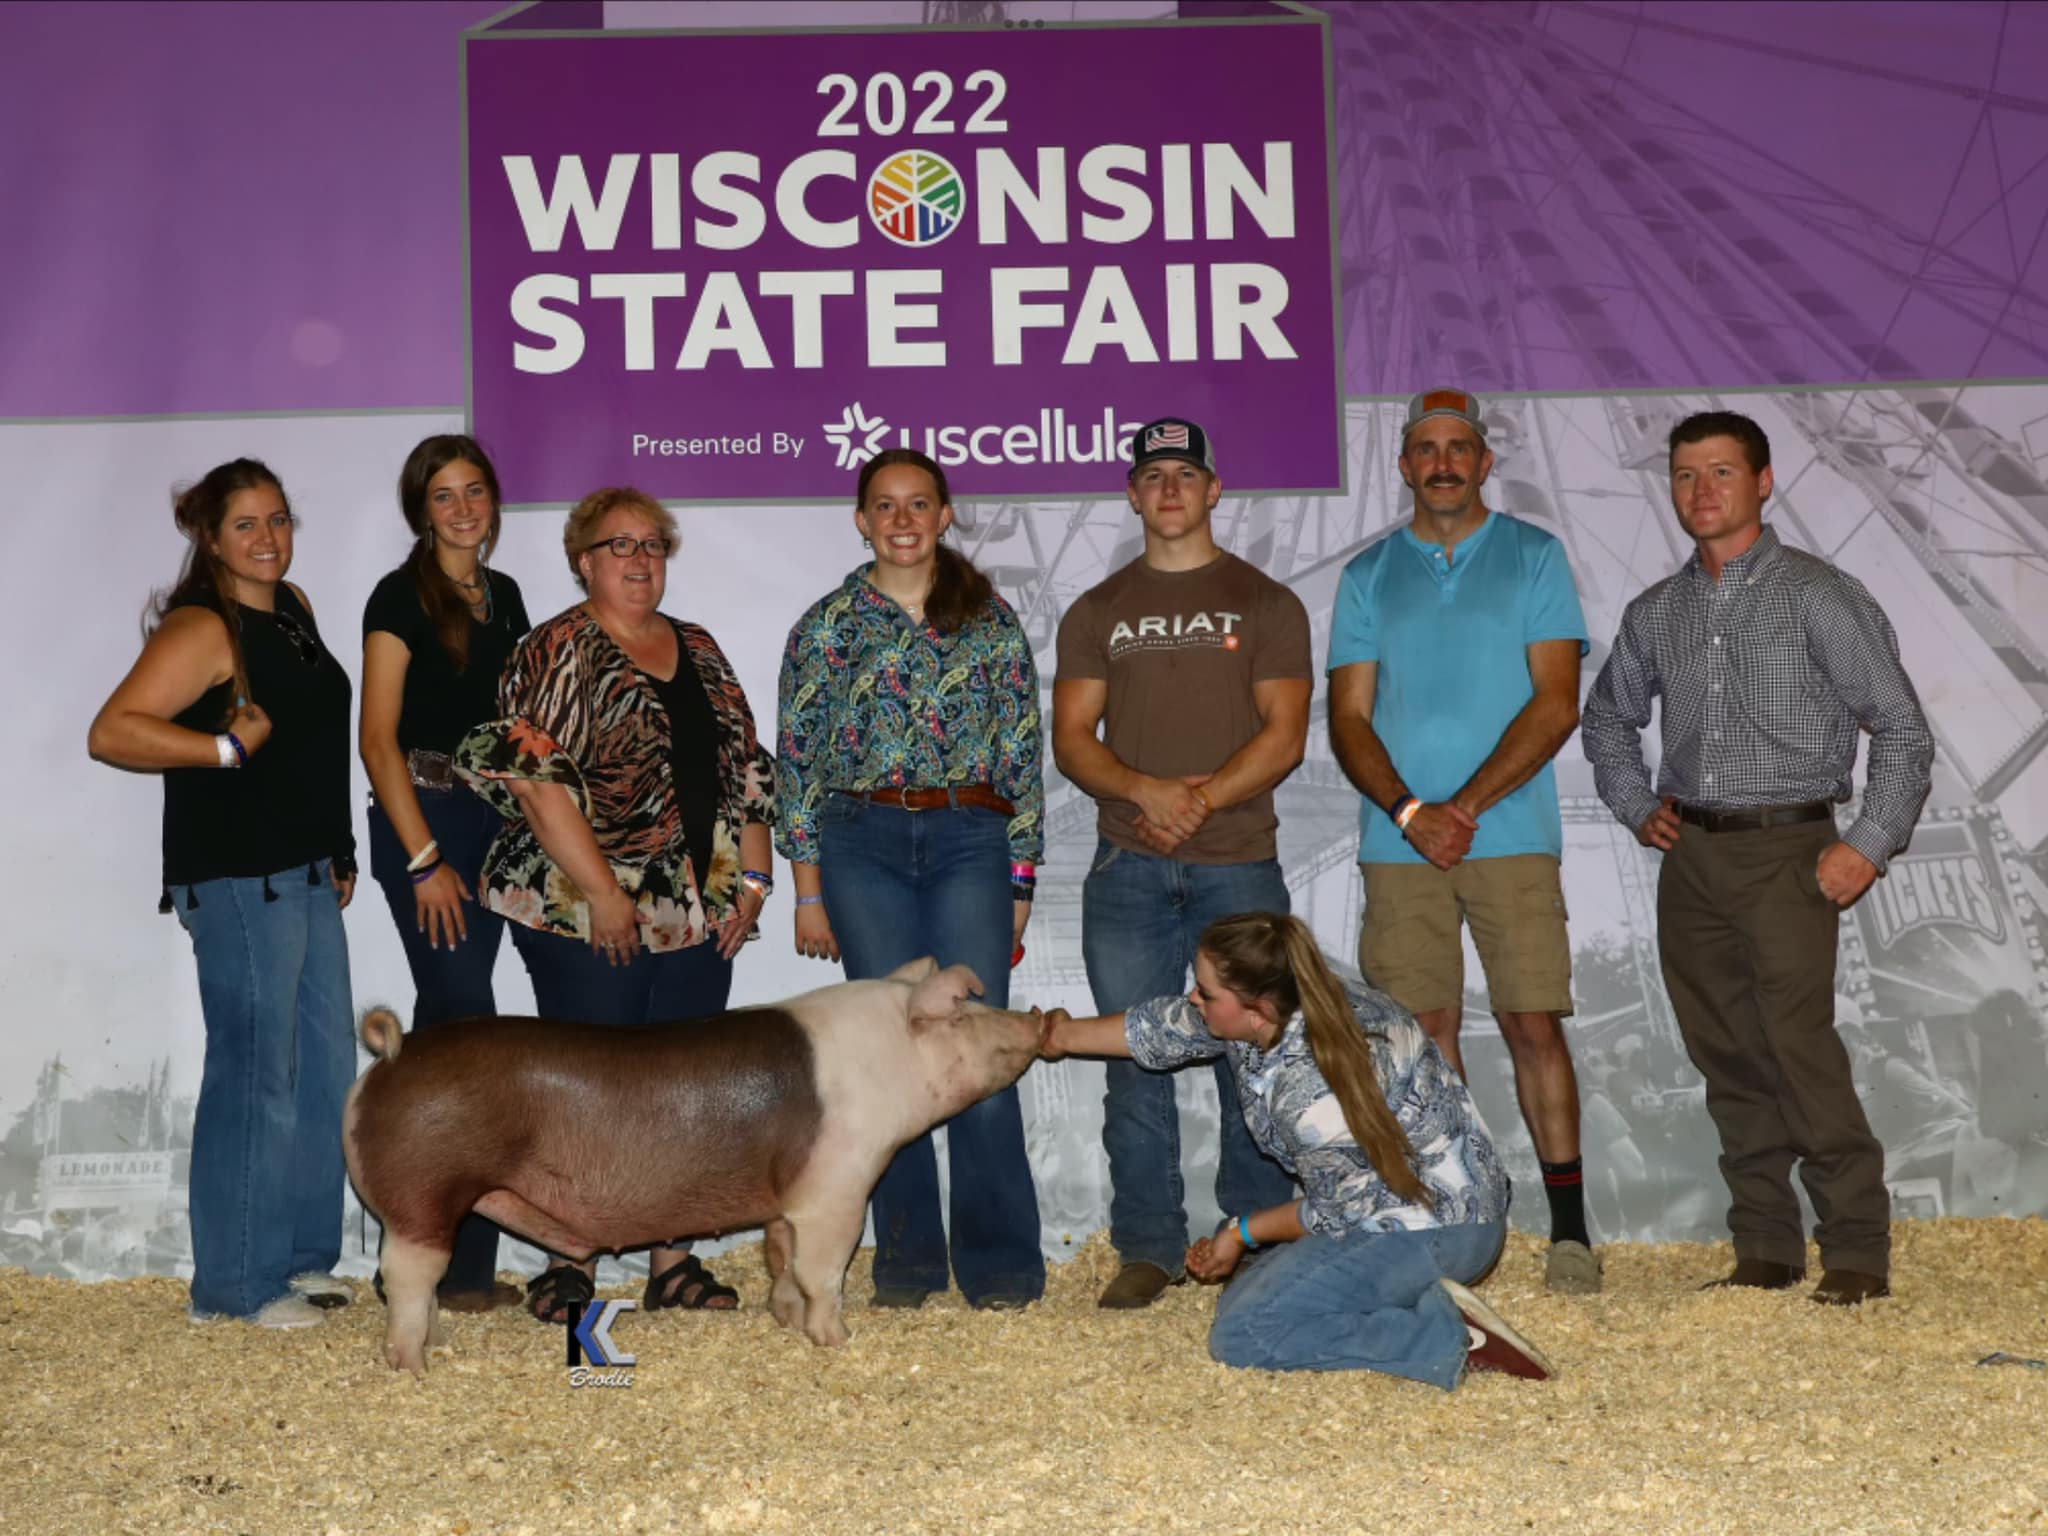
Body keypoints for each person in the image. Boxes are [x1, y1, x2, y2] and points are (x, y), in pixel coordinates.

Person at [1580, 409, 1935, 1305]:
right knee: (1726, 1053)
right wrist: (1633, 804)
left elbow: (1900, 729)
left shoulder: (1819, 593)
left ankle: (1856, 1253)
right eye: (1686, 475)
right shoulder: (1656, 611)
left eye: (1723, 473)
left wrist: (1868, 844)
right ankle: (1766, 1249)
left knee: (1796, 1048)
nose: (1702, 491)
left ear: (1764, 481)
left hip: (1792, 850)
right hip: (1693, 856)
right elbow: (1607, 718)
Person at [455, 486, 776, 1322]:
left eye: (651, 545)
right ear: (582, 560)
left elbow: (748, 767)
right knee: (587, 1092)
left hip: (695, 909)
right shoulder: (556, 647)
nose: (637, 559)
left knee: (687, 1090)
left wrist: (752, 882)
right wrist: (603, 892)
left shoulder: (700, 646)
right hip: (577, 906)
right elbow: (531, 777)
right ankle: (571, 1266)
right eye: (618, 545)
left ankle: (674, 1262)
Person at [1326, 387, 1600, 1294]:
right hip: (1399, 844)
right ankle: (1458, 1225)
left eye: (1459, 447)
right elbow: (1348, 717)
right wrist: (1412, 813)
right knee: (1422, 1036)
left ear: (1486, 463)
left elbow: (1557, 700)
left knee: (1532, 1023)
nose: (1443, 461)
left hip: (1510, 834)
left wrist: (1464, 807)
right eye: (1425, 447)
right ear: (1404, 465)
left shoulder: (1534, 556)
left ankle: (1571, 1236)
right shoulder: (1367, 574)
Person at [1041, 913, 1550, 1384]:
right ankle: (1415, 1297)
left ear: (1257, 1008)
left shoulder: (1311, 1099)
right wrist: (1056, 1035)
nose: (1194, 999)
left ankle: (1449, 1339)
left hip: (1436, 1231)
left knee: (1247, 1332)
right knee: (1247, 1296)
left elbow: (1334, 1215)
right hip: (1425, 1210)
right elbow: (1163, 1028)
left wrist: (1240, 1233)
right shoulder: (1300, 998)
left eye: (1205, 992)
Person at [88, 458, 356, 1328]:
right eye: (246, 524)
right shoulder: (204, 626)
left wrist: (341, 844)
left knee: (321, 1072)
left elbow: (316, 739)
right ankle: (234, 1289)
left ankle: (299, 1258)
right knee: (254, 1075)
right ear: (210, 538)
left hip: (307, 872)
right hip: (240, 880)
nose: (268, 538)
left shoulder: (296, 609)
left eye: (278, 519)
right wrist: (221, 751)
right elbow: (113, 732)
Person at [775, 448, 1046, 1310]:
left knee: (976, 1043)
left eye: (918, 504)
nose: (901, 520)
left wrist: (1020, 885)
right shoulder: (826, 627)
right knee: (887, 1055)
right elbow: (798, 768)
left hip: (972, 837)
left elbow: (1021, 760)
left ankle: (1001, 1262)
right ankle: (908, 1263)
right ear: (861, 519)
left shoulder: (990, 620)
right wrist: (808, 891)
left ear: (943, 515)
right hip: (863, 844)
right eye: (884, 506)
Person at [1052, 417, 1312, 1309]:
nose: (1170, 488)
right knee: (1135, 1060)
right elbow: (1072, 741)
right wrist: (1144, 793)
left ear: (1213, 491)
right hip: (1127, 868)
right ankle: (1148, 1249)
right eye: (1153, 474)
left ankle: (1251, 1238)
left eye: (1185, 474)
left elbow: (1284, 737)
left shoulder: (1268, 601)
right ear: (1133, 493)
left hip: (1238, 865)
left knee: (1258, 1059)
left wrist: (1193, 800)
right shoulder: (1096, 609)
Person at [359, 435, 532, 1312]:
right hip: (425, 826)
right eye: (442, 495)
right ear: (419, 510)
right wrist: (423, 858)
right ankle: (446, 1269)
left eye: (475, 490)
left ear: (494, 501)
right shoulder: (399, 596)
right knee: (469, 1030)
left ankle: (442, 1267)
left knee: (458, 1035)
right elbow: (377, 739)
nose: (462, 508)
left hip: (500, 826)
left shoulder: (505, 596)